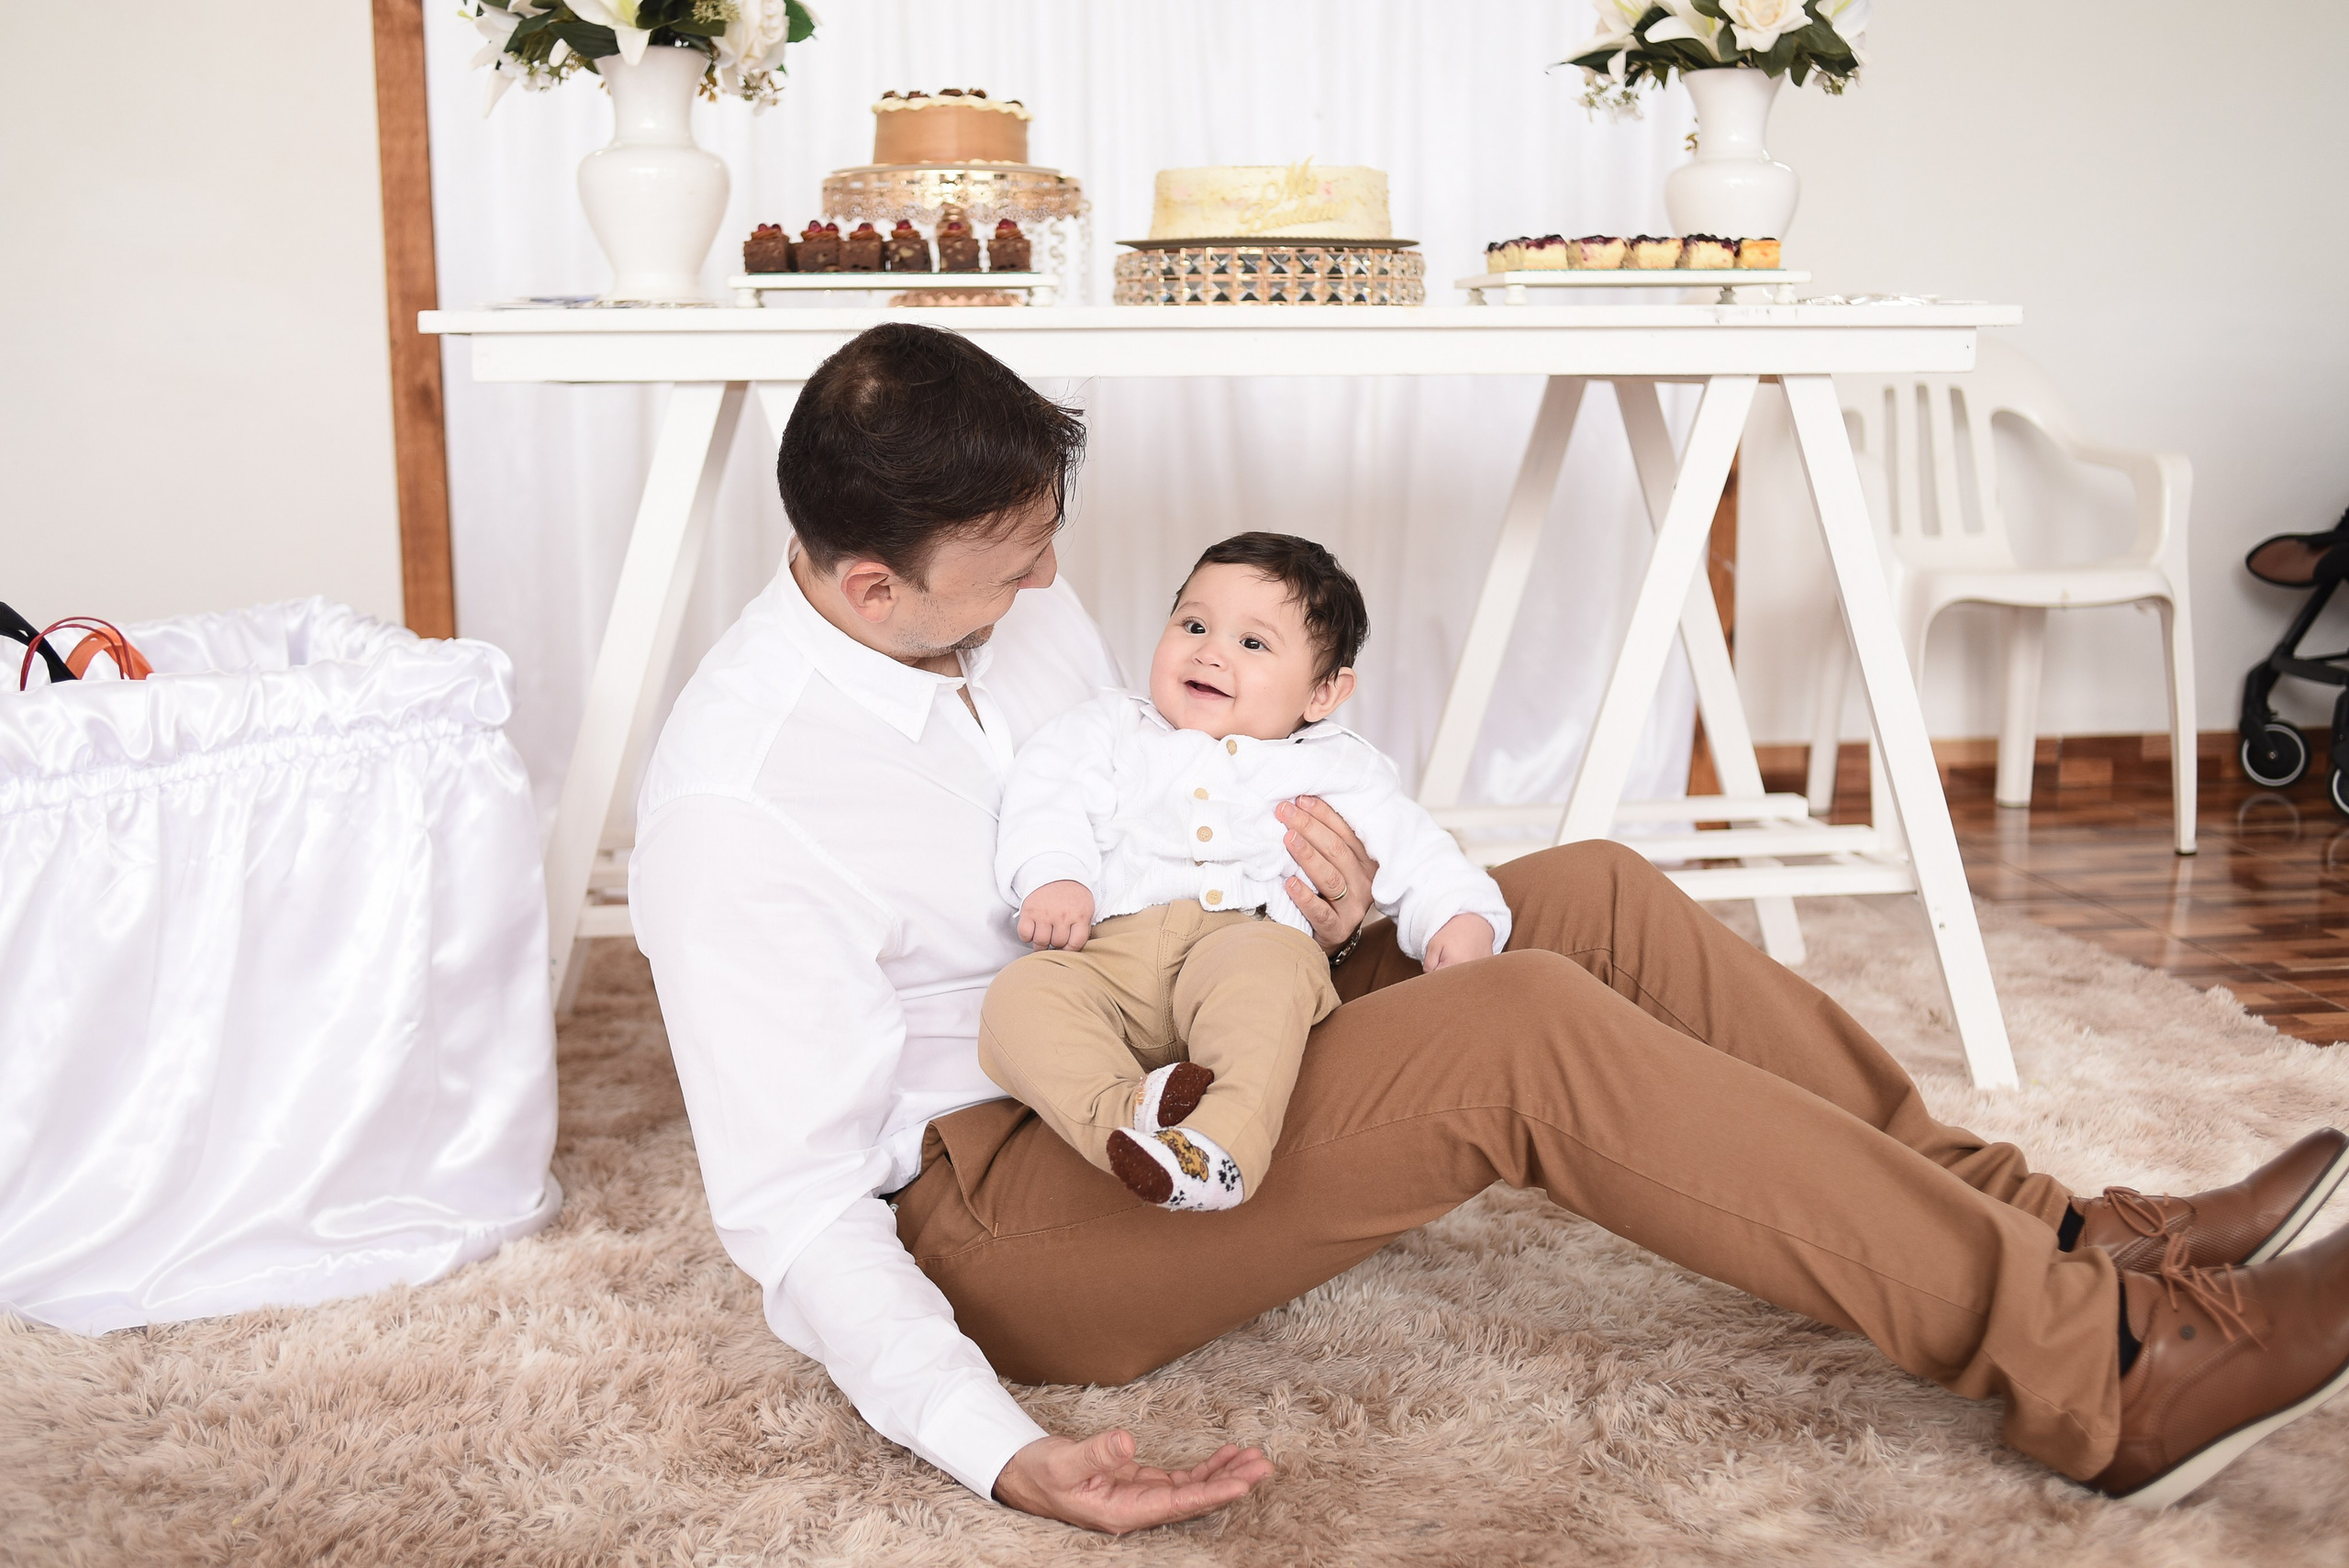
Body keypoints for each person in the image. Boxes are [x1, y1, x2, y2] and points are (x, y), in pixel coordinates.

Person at [629, 322, 2349, 1533]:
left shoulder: (998, 621)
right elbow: (790, 1213)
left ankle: (2066, 1235)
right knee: (1514, 1021)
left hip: (1180, 1003)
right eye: (1009, 569)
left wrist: (1341, 910)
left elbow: (1156, 807)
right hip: (1015, 1203)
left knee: (1575, 893)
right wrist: (993, 1446)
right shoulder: (738, 804)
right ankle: (2109, 1374)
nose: (1053, 597)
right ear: (867, 582)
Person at [984, 530, 1509, 1211]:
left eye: (1252, 643)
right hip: (1110, 958)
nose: (1210, 650)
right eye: (1194, 624)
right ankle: (1132, 1112)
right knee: (1017, 999)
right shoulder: (1111, 727)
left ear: (1324, 691)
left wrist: (1460, 914)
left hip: (1243, 943)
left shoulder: (1336, 764)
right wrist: (1055, 874)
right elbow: (1046, 792)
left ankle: (1220, 1147)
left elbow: (1416, 845)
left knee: (1275, 978)